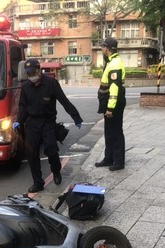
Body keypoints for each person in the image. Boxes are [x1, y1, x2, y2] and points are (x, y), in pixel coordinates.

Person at [13, 58, 83, 193]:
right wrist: (18, 120)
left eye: (33, 72)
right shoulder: (26, 86)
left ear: (39, 70)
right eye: (28, 73)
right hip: (32, 124)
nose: (31, 76)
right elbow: (23, 107)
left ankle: (56, 171)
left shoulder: (51, 84)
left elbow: (64, 101)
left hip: (48, 123)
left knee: (52, 151)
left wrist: (76, 117)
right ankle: (38, 183)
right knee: (31, 153)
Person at [95, 37, 126, 171]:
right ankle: (108, 158)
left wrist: (110, 108)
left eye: (102, 47)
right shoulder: (111, 61)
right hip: (109, 102)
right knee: (109, 132)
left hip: (114, 103)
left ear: (107, 48)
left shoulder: (115, 64)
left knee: (116, 132)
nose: (101, 49)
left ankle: (118, 162)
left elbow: (114, 88)